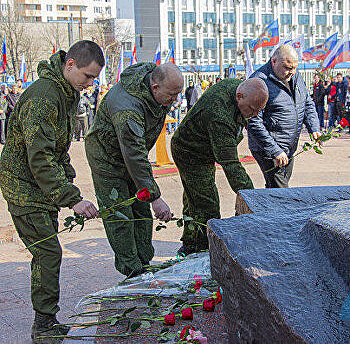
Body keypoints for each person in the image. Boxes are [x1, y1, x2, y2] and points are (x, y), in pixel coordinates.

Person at [0, 40, 104, 343]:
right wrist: (72, 199)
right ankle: (43, 324)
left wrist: (68, 180)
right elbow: (41, 157)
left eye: (94, 78)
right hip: (23, 186)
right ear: (69, 65)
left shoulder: (65, 92)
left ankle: (46, 319)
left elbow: (59, 148)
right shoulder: (45, 96)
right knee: (47, 251)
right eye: (87, 76)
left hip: (40, 186)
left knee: (47, 252)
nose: (90, 84)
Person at [85, 62, 184, 277]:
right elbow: (134, 155)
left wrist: (148, 196)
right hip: (108, 161)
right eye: (171, 95)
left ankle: (143, 262)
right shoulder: (127, 109)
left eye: (178, 94)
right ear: (155, 87)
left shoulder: (156, 86)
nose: (175, 100)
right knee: (119, 215)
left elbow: (135, 155)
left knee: (141, 211)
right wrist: (155, 198)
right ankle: (132, 271)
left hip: (130, 154)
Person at [171, 78, 269, 255]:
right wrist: (251, 197)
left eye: (259, 111)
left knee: (194, 197)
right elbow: (230, 163)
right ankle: (203, 252)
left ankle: (190, 244)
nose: (254, 115)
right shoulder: (219, 114)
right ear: (239, 96)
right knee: (206, 204)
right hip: (190, 152)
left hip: (204, 148)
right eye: (252, 110)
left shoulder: (241, 92)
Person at [248, 45, 321, 189]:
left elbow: (306, 102)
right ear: (274, 61)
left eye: (294, 67)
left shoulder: (296, 76)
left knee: (275, 191)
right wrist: (274, 150)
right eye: (287, 68)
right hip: (267, 149)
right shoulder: (258, 81)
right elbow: (253, 122)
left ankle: (264, 210)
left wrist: (314, 128)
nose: (292, 72)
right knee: (282, 192)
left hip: (289, 146)